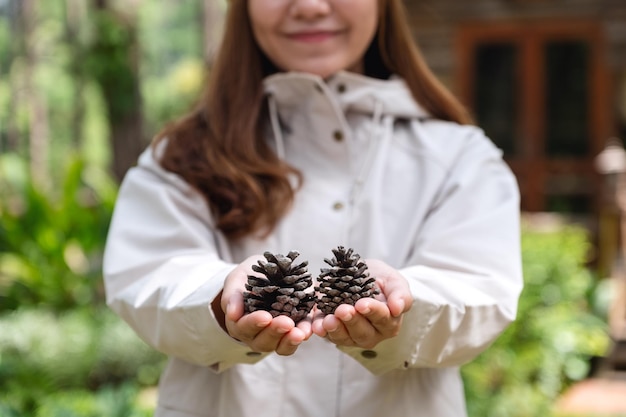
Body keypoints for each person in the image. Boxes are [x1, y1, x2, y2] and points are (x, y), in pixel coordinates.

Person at [103, 0, 523, 416]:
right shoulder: (182, 156)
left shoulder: (460, 158)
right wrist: (217, 297)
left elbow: (481, 289)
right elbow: (145, 275)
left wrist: (406, 303)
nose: (309, 6)